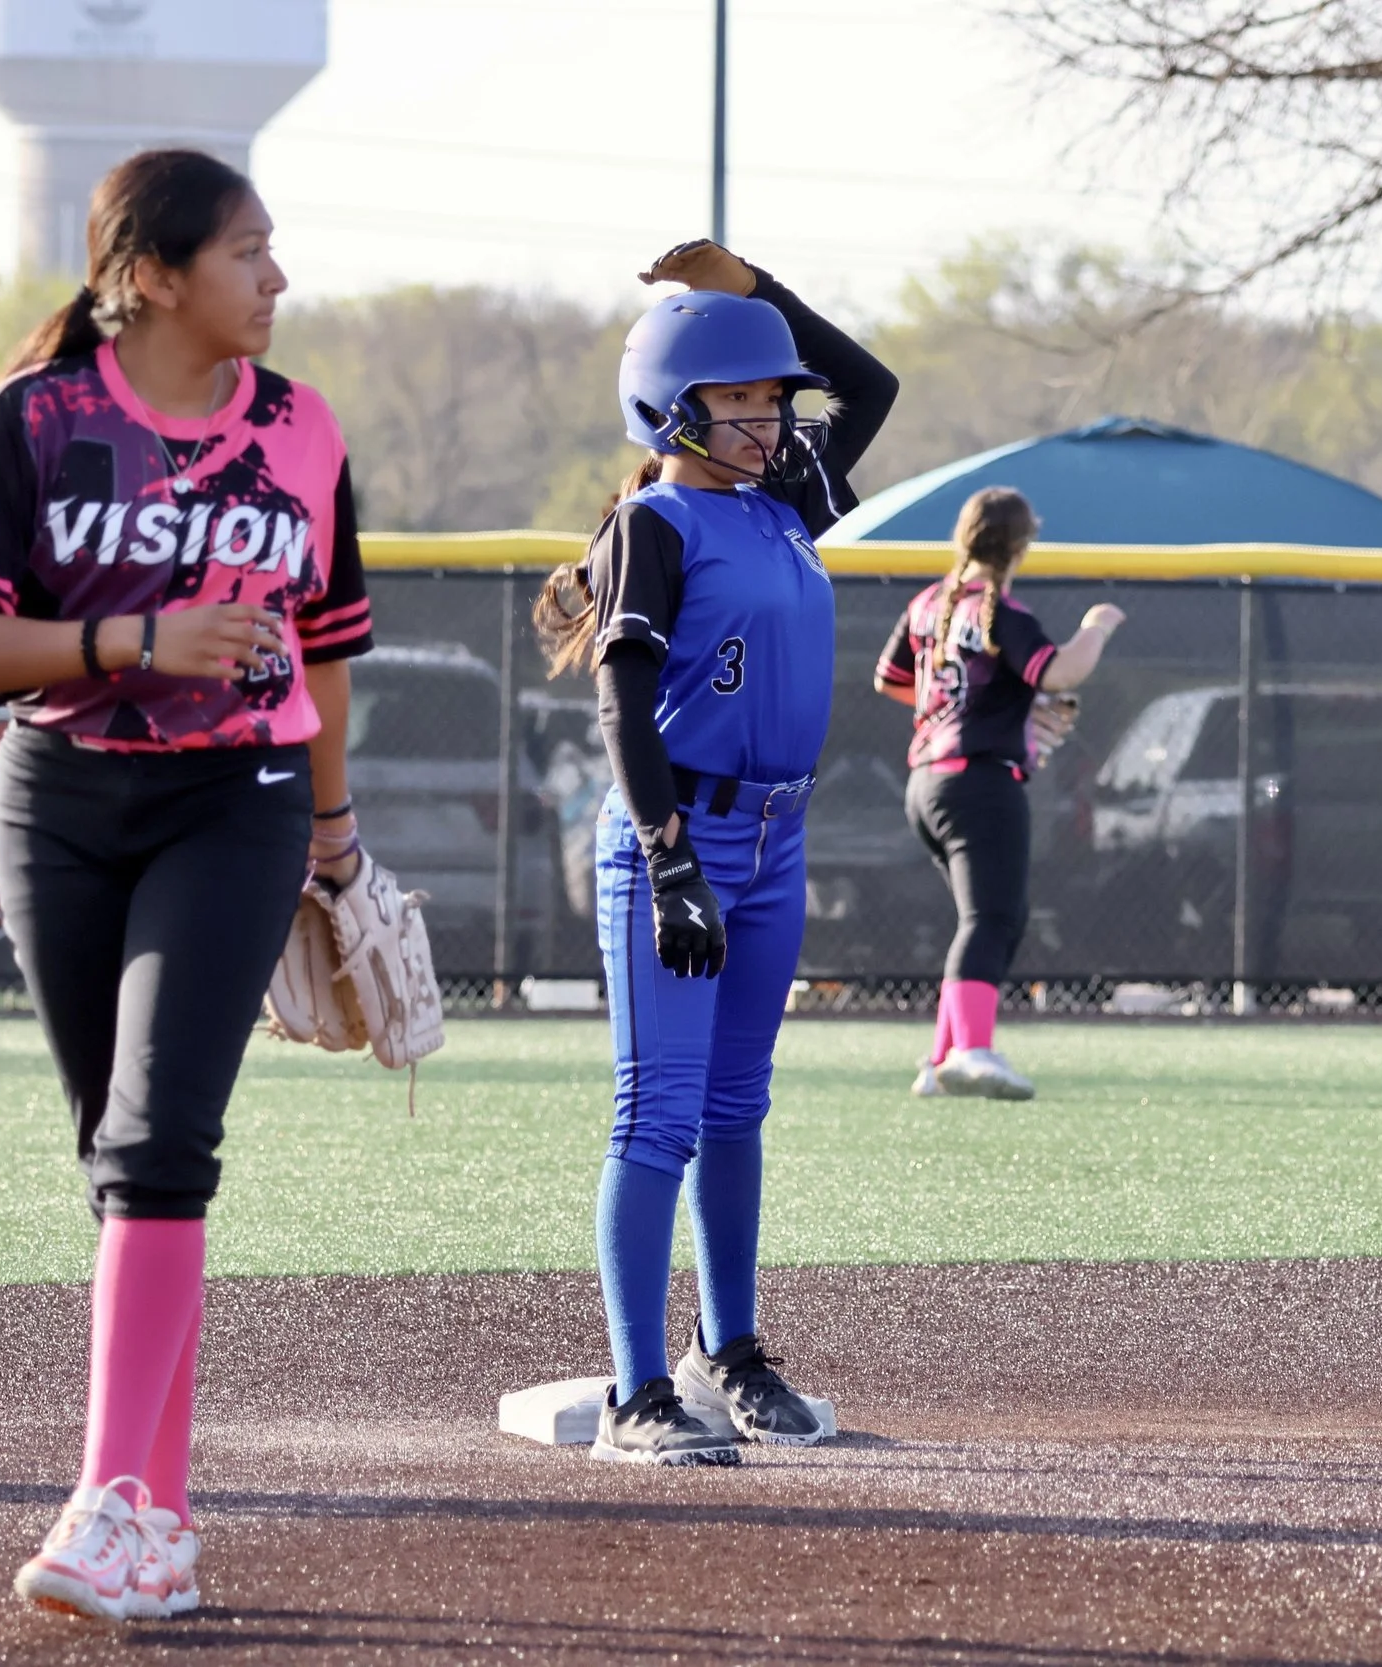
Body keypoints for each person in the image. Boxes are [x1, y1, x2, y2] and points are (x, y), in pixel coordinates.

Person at [0, 149, 375, 1620]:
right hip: (60, 799)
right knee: (120, 1157)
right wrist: (130, 641)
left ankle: (106, 1502)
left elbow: (326, 654)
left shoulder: (302, 427)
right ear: (154, 274)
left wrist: (335, 834)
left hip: (238, 797)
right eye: (247, 251)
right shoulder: (35, 420)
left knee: (162, 1140)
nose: (277, 276)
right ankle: (157, 1523)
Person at [532, 240, 897, 1465]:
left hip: (777, 836)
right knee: (659, 1114)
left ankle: (725, 1352)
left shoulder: (781, 498)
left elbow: (871, 386)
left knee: (738, 1106)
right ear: (668, 408)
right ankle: (638, 1391)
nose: (765, 419)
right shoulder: (656, 521)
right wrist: (670, 856)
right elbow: (622, 705)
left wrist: (755, 292)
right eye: (734, 398)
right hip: (680, 835)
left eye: (769, 398)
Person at [874, 488, 1124, 1100]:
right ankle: (972, 1050)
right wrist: (1097, 626)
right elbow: (1060, 670)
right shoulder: (998, 613)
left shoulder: (930, 602)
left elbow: (892, 681)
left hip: (927, 784)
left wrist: (1002, 706)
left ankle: (941, 1060)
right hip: (979, 782)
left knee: (985, 920)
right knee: (992, 919)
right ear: (1020, 546)